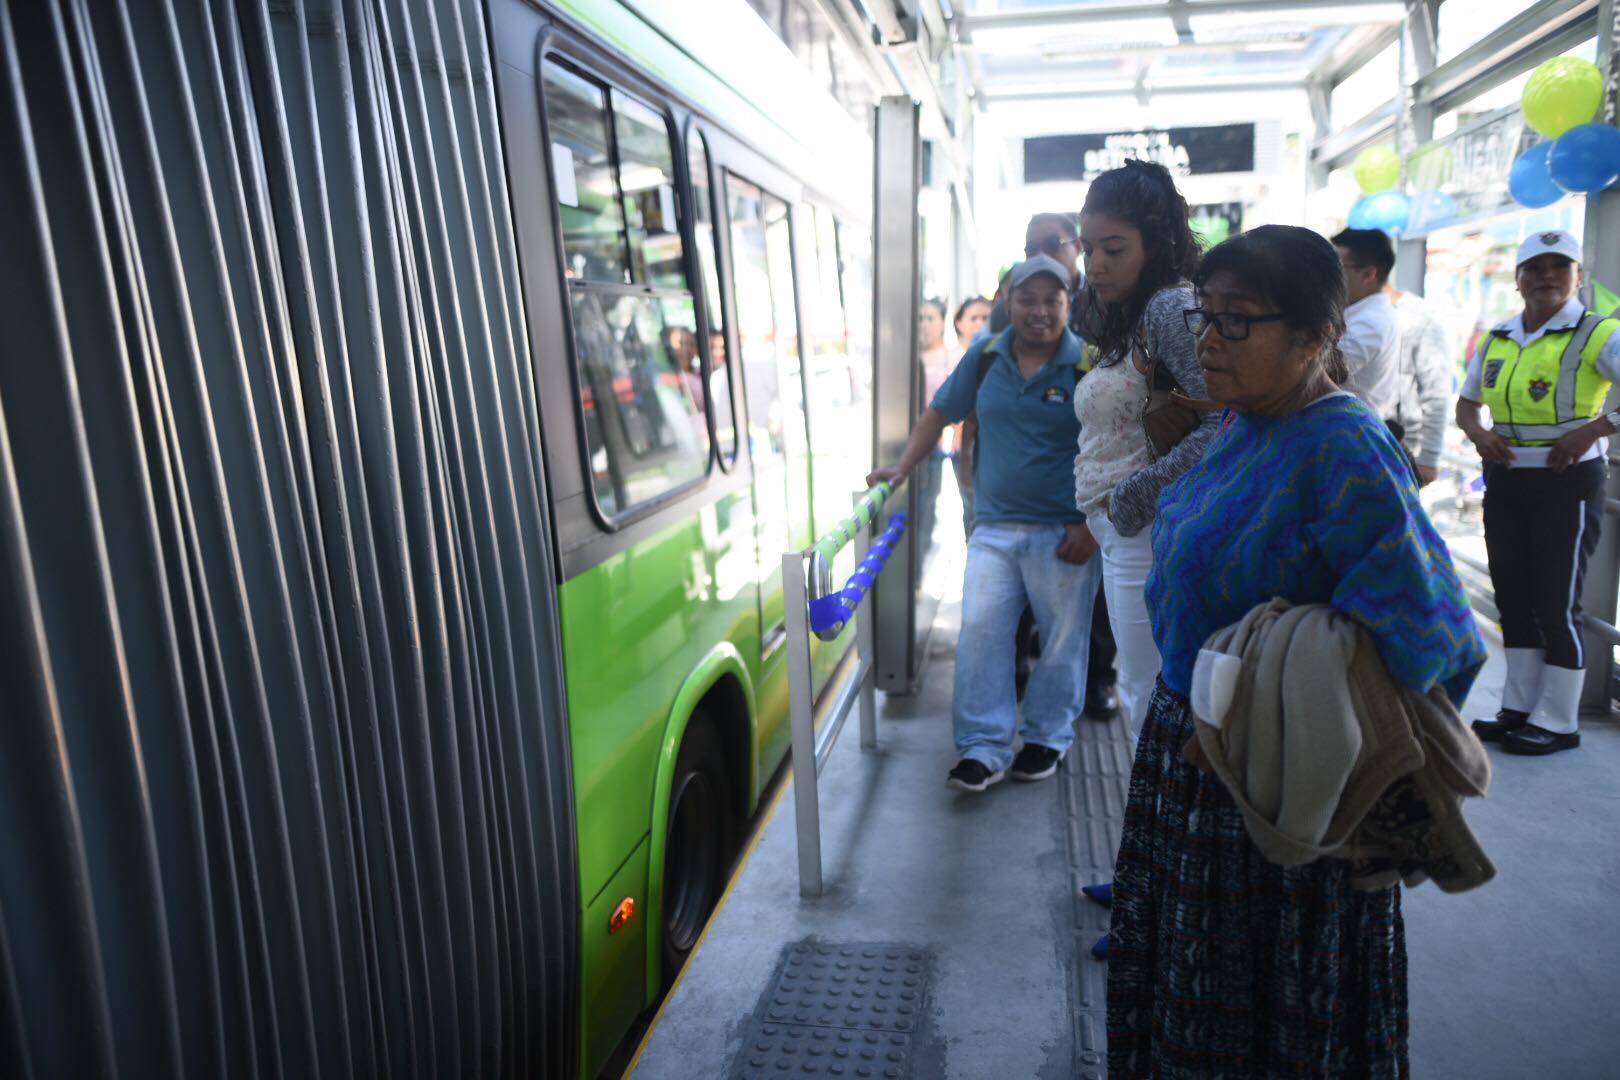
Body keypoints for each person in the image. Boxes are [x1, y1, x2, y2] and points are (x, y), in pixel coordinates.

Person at [1108, 225, 1486, 1075]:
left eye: (1236, 320)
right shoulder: (1243, 421)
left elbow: (1436, 642)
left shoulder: (1343, 446)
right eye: (1208, 315)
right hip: (1191, 766)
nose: (1207, 339)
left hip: (1277, 798)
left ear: (1318, 336)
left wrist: (1290, 740)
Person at [868, 255, 1101, 792]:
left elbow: (1115, 449)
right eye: (1027, 299)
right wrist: (901, 468)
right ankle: (982, 747)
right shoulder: (985, 355)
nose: (1039, 311)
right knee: (981, 633)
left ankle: (1046, 739)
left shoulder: (1088, 364)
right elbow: (939, 413)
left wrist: (1092, 523)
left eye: (1052, 300)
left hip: (1064, 533)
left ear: (1068, 304)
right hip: (994, 527)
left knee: (1064, 641)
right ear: (1007, 303)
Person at [1069, 161, 1221, 959]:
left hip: (1152, 533)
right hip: (1123, 532)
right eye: (1088, 248)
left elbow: (1224, 422)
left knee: (1153, 704)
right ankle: (1145, 873)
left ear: (1157, 242)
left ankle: (1160, 900)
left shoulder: (1170, 308)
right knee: (1143, 702)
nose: (1095, 264)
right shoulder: (1130, 314)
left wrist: (1133, 498)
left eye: (1113, 247)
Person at [1457, 229, 1620, 756]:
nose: (1546, 276)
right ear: (1518, 277)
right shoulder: (1499, 336)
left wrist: (1592, 431)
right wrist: (1481, 436)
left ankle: (1559, 719)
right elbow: (1466, 405)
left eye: (1559, 266)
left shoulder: (1599, 334)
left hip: (1566, 481)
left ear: (1578, 277)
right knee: (1513, 597)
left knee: (1556, 601)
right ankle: (1519, 707)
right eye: (1535, 267)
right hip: (1506, 480)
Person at [1387, 283, 1455, 486]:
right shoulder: (1347, 310)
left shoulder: (1418, 318)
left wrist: (1429, 458)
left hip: (1401, 450)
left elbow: (1437, 394)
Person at [1331, 227, 1400, 420]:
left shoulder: (1372, 321)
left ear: (1369, 274)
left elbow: (1319, 373)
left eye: (1336, 268)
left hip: (1349, 432)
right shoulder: (1357, 311)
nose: (1327, 276)